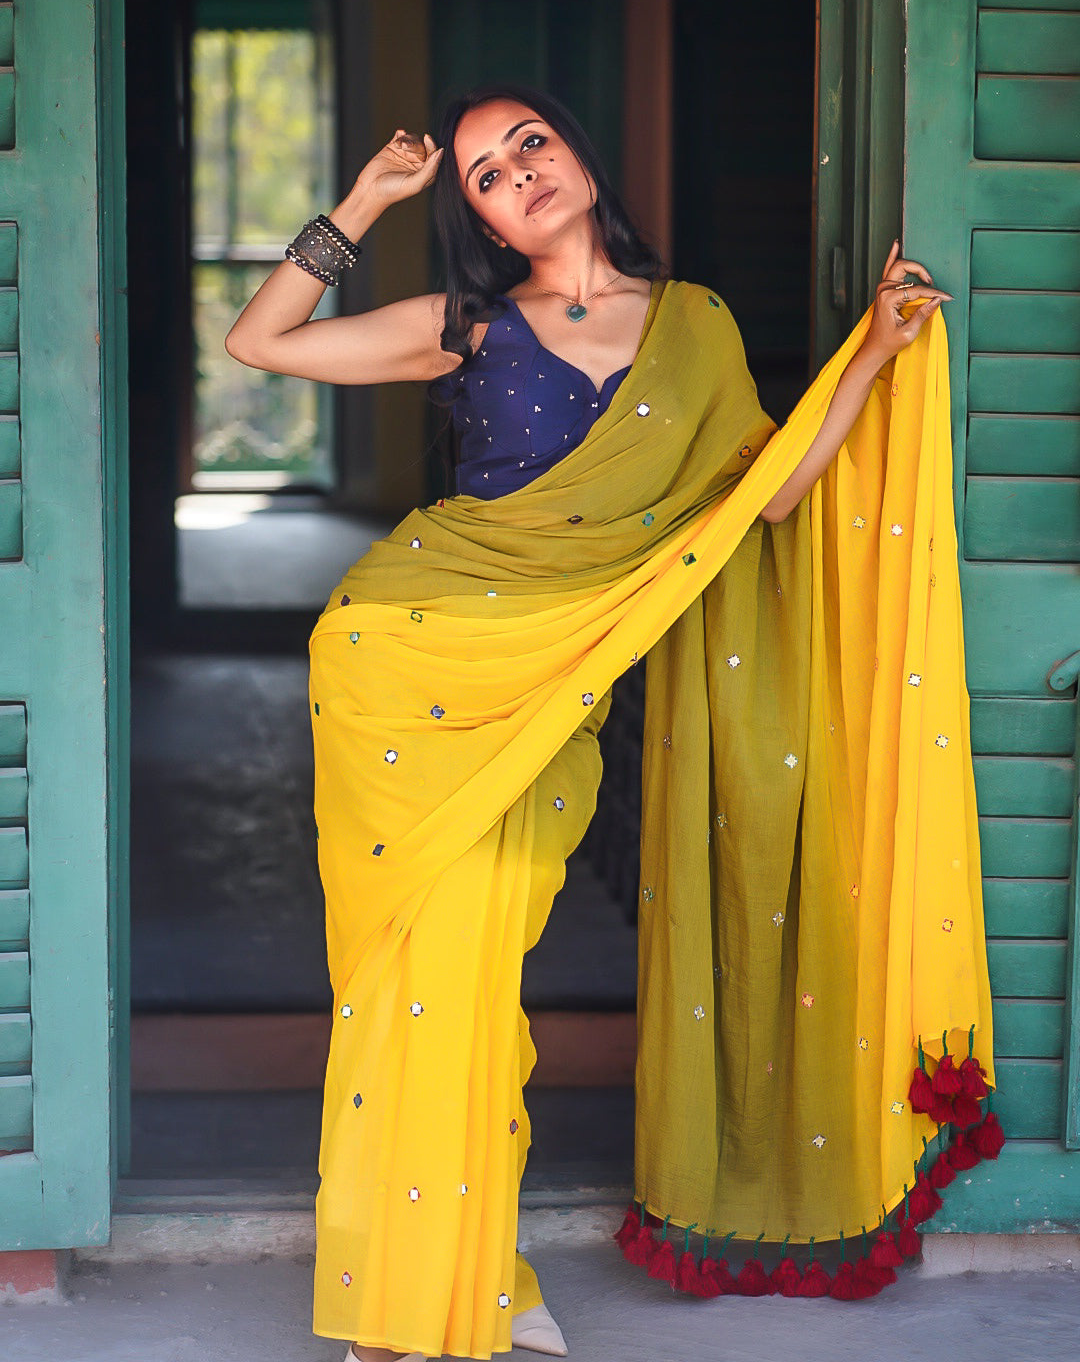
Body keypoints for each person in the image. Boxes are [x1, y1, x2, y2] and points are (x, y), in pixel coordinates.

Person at [226, 85, 991, 1361]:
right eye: (484, 173)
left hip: (557, 683)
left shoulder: (695, 327)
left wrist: (870, 353)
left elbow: (769, 495)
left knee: (481, 979)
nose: (517, 171)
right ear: (479, 218)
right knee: (422, 976)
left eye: (530, 141)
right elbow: (261, 343)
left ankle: (469, 1271)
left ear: (578, 150)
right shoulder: (467, 323)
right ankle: (417, 1301)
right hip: (407, 664)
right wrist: (364, 200)